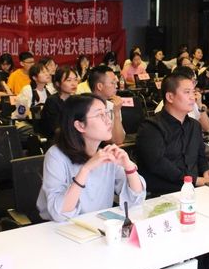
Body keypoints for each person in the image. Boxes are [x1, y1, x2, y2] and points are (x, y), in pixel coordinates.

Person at [37, 94, 145, 222]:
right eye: (100, 115)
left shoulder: (106, 154)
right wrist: (86, 169)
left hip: (98, 224)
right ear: (80, 125)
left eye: (107, 113)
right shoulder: (56, 155)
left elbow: (136, 199)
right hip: (61, 228)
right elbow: (59, 213)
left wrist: (128, 167)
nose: (108, 121)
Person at [136, 70, 209, 195]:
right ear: (170, 97)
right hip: (164, 195)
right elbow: (158, 164)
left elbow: (200, 156)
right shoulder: (151, 127)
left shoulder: (195, 125)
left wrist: (206, 171)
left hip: (194, 191)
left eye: (193, 92)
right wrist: (195, 180)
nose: (193, 97)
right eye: (187, 92)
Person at [86, 65, 126, 145]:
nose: (116, 86)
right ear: (100, 86)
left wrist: (116, 113)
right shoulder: (87, 108)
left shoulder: (113, 105)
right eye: (112, 83)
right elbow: (107, 140)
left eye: (116, 82)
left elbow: (119, 140)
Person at [40, 66, 79, 140]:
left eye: (75, 80)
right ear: (58, 83)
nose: (74, 84)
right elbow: (55, 128)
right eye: (69, 80)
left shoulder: (77, 100)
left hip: (75, 137)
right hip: (58, 139)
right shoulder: (52, 101)